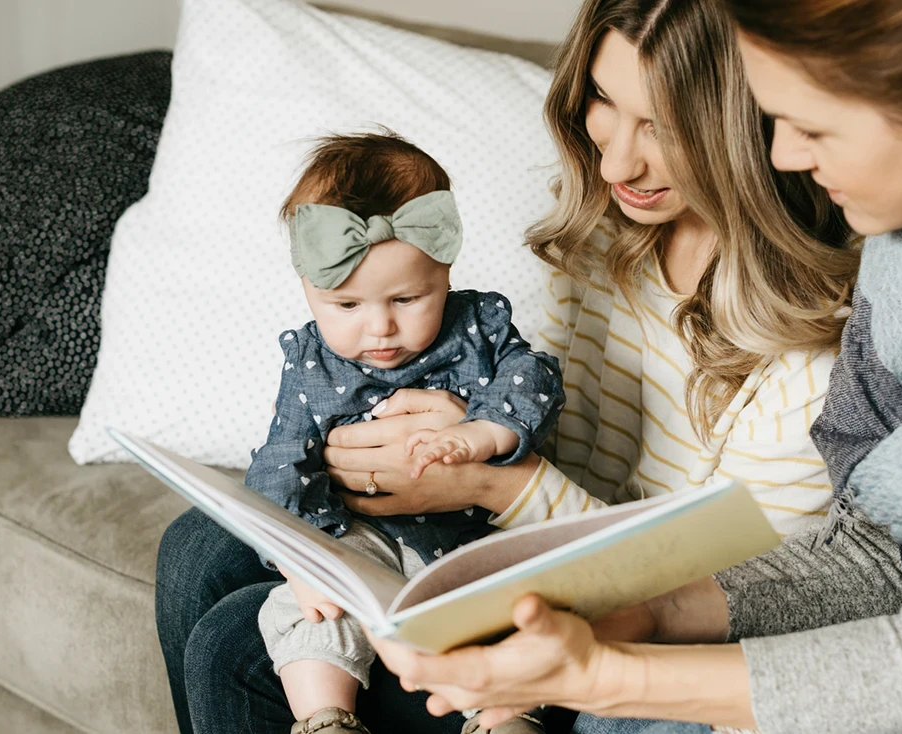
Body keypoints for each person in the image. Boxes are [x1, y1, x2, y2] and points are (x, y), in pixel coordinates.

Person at [365, 1, 902, 733]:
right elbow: (880, 550)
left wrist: (606, 676)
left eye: (814, 127)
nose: (785, 155)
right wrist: (645, 614)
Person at [153, 0, 863, 731]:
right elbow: (540, 416)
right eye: (604, 101)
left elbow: (700, 593)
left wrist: (492, 480)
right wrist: (432, 434)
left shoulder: (813, 349)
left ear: (758, 124)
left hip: (624, 618)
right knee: (196, 548)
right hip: (510, 538)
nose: (616, 161)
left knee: (237, 646)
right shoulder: (605, 235)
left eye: (664, 127)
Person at [247, 131, 565, 734]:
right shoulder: (313, 360)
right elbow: (279, 462)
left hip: (472, 537)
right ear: (308, 290)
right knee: (307, 609)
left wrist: (489, 434)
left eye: (407, 297)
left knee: (516, 615)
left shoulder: (477, 326)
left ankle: (506, 717)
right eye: (347, 306)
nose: (380, 328)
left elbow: (535, 377)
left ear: (444, 271)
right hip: (357, 535)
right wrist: (302, 557)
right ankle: (324, 717)